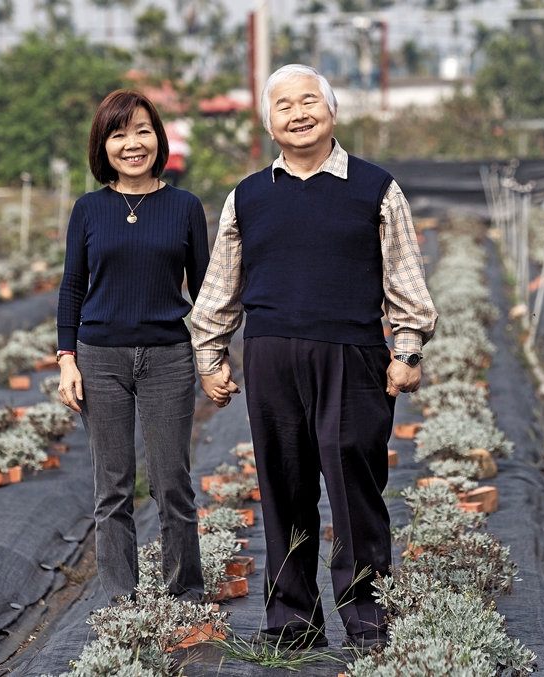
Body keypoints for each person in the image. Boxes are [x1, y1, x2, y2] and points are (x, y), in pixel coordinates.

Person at [190, 64, 437, 651]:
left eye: (310, 102)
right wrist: (211, 355)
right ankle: (292, 622)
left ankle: (369, 617)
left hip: (352, 354)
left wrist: (407, 348)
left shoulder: (375, 187)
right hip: (271, 354)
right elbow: (220, 286)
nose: (298, 114)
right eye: (284, 106)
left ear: (332, 112)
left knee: (356, 481)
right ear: (269, 122)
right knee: (283, 484)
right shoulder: (248, 195)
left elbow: (405, 277)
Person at [57, 89, 209, 604]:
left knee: (172, 484)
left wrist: (214, 357)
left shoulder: (185, 207)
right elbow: (72, 288)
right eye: (118, 134)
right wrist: (66, 359)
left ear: (158, 137)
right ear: (104, 145)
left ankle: (184, 598)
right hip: (100, 359)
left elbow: (206, 290)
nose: (132, 143)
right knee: (113, 489)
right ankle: (124, 604)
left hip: (168, 356)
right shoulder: (89, 209)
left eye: (142, 130)